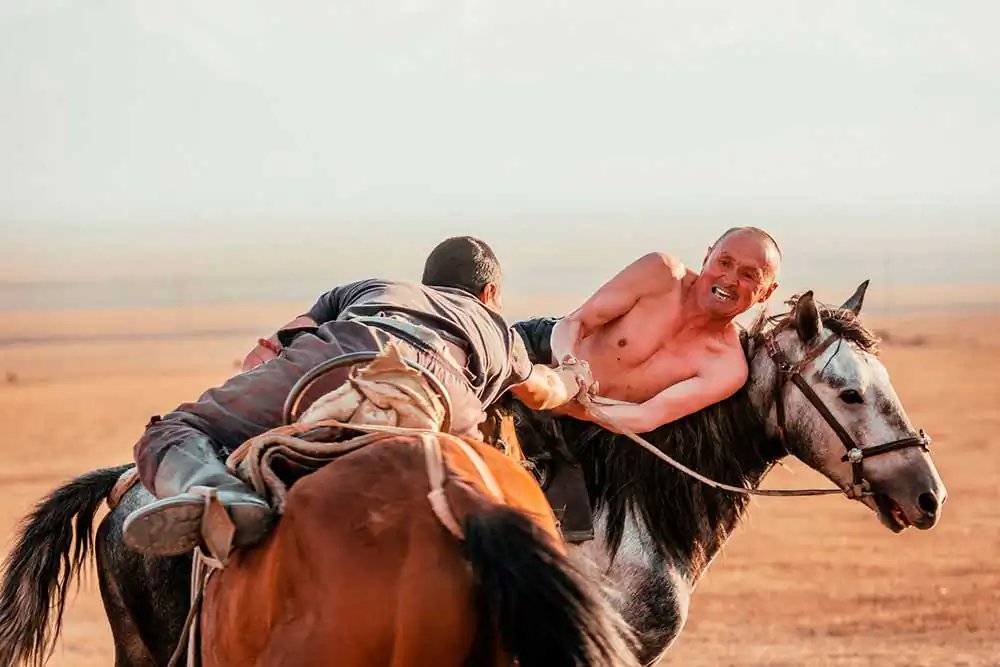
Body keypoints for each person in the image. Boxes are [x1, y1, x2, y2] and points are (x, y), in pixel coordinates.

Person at [122, 236, 594, 558]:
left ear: (426, 285)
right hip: (444, 395)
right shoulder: (499, 331)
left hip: (339, 358)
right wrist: (575, 376)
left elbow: (271, 351)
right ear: (490, 292)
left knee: (173, 430)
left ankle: (221, 492)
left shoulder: (373, 288)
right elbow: (544, 393)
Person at [517, 226, 781, 434]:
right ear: (707, 256)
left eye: (748, 275)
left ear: (767, 292)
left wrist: (574, 405)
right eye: (724, 262)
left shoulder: (727, 368)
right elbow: (574, 322)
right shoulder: (661, 273)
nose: (730, 279)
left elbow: (646, 417)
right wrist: (568, 364)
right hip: (536, 356)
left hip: (579, 427)